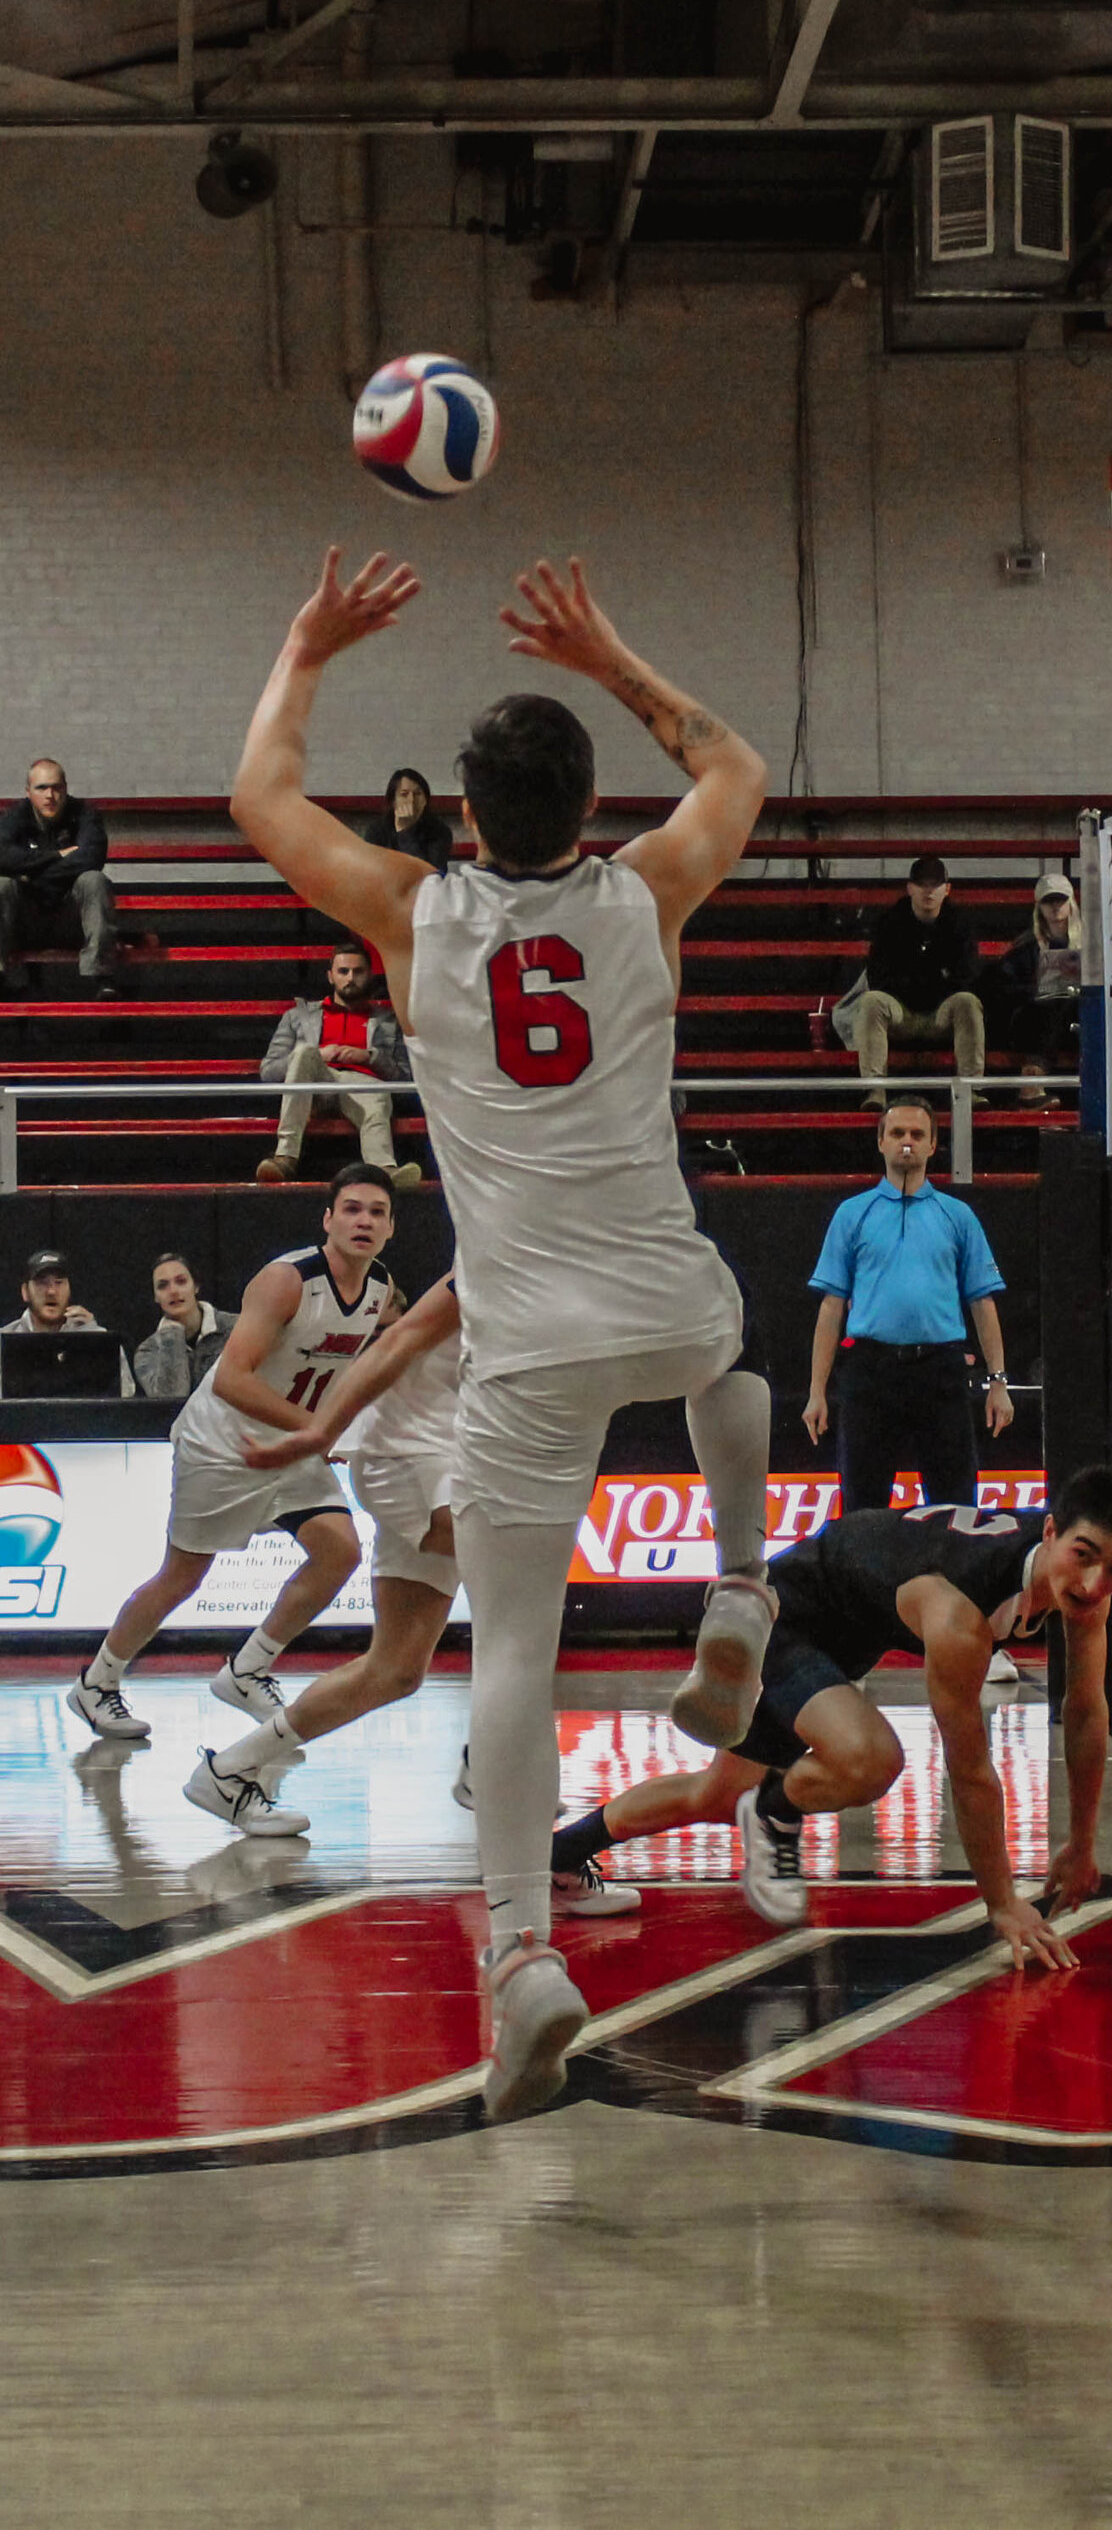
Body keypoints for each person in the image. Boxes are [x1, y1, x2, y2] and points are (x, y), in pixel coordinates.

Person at [228, 546, 778, 2123]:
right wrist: (611, 653)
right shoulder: (647, 890)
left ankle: (525, 1960)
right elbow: (734, 763)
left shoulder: (411, 914)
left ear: (464, 817)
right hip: (667, 1302)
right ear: (587, 804)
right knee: (730, 1356)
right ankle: (734, 1587)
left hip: (525, 1342)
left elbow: (260, 795)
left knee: (516, 1653)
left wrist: (309, 635)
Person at [546, 1468, 1112, 1962]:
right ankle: (773, 1811)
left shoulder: (1084, 1592)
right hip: (789, 1612)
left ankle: (561, 1856)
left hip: (848, 1626)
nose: (1092, 1582)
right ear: (1050, 1531)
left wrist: (1082, 1844)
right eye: (1084, 1556)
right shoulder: (959, 1617)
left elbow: (1085, 1715)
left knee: (716, 1792)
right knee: (870, 1759)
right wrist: (1000, 1903)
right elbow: (970, 1770)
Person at [215, 1270, 641, 1915]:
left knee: (395, 1670)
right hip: (408, 1460)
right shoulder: (493, 1262)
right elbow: (397, 1342)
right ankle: (524, 1837)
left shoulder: (573, 1281)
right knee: (522, 1617)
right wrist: (321, 1432)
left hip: (456, 1464)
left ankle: (232, 1770)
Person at [63, 1164, 396, 1784]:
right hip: (225, 1443)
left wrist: (333, 1426)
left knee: (339, 1552)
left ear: (390, 1228)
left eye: (377, 1212)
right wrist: (315, 1428)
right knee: (182, 1576)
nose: (364, 1221)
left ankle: (247, 1669)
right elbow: (233, 1378)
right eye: (352, 1208)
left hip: (292, 1441)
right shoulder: (286, 1281)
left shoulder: (379, 1288)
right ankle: (97, 1680)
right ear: (327, 1219)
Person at [803, 1098, 1015, 1506]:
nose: (907, 1142)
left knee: (954, 1504)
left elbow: (982, 1304)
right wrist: (816, 1391)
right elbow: (831, 1307)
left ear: (933, 1146)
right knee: (862, 1506)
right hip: (869, 1371)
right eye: (897, 1133)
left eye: (917, 1134)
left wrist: (998, 1383)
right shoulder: (852, 1215)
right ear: (880, 1141)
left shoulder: (958, 1216)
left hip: (940, 1372)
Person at [256, 940, 422, 1189]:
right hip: (314, 1084)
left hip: (363, 1085)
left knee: (378, 1094)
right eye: (343, 971)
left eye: (358, 972)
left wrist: (369, 1057)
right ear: (331, 976)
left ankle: (385, 1170)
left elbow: (406, 1076)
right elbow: (269, 1072)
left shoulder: (388, 1021)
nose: (350, 978)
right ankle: (284, 1158)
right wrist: (319, 1055)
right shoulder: (297, 1016)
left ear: (369, 976)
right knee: (303, 1052)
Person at [856, 854, 984, 1105]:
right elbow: (879, 978)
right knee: (872, 1001)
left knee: (968, 1002)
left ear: (946, 889)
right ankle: (874, 1090)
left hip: (941, 1014)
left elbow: (968, 977)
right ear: (909, 888)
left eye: (935, 885)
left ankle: (972, 1090)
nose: (928, 891)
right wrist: (936, 976)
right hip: (902, 1012)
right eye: (922, 884)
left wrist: (915, 978)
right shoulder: (890, 922)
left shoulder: (960, 925)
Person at [0, 759, 119, 995]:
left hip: (70, 921)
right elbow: (2, 856)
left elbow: (91, 858)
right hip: (24, 922)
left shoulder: (86, 814)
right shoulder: (14, 816)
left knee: (94, 880)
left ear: (65, 788)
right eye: (41, 788)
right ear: (28, 792)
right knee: (1, 884)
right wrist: (56, 856)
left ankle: (102, 978)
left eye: (56, 787)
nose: (50, 795)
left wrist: (29, 872)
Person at [983, 872, 1083, 1102]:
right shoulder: (1025, 947)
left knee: (1064, 1004)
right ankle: (1032, 1082)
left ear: (1071, 902)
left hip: (1075, 1024)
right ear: (1039, 906)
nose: (1056, 906)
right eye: (1049, 901)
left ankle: (1032, 1082)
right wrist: (1036, 992)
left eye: (1061, 900)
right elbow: (1002, 990)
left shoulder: (1093, 945)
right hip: (1033, 1024)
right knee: (1049, 1005)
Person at [4, 1248, 138, 1394]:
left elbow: (126, 1397)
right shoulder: (2, 1342)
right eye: (42, 1283)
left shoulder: (99, 1339)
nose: (51, 1292)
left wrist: (92, 1343)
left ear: (69, 1289)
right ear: (25, 1292)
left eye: (59, 1282)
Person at [132, 1252, 235, 1400]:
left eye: (181, 1281)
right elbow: (172, 1401)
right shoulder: (148, 1351)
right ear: (155, 1296)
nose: (173, 1291)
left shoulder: (236, 1328)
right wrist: (171, 1336)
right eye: (163, 1286)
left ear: (196, 1286)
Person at [361, 767, 457, 874]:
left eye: (418, 794)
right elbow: (374, 873)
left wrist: (405, 832)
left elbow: (428, 876)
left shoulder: (440, 831)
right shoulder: (376, 831)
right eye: (404, 794)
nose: (411, 800)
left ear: (425, 800)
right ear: (393, 801)